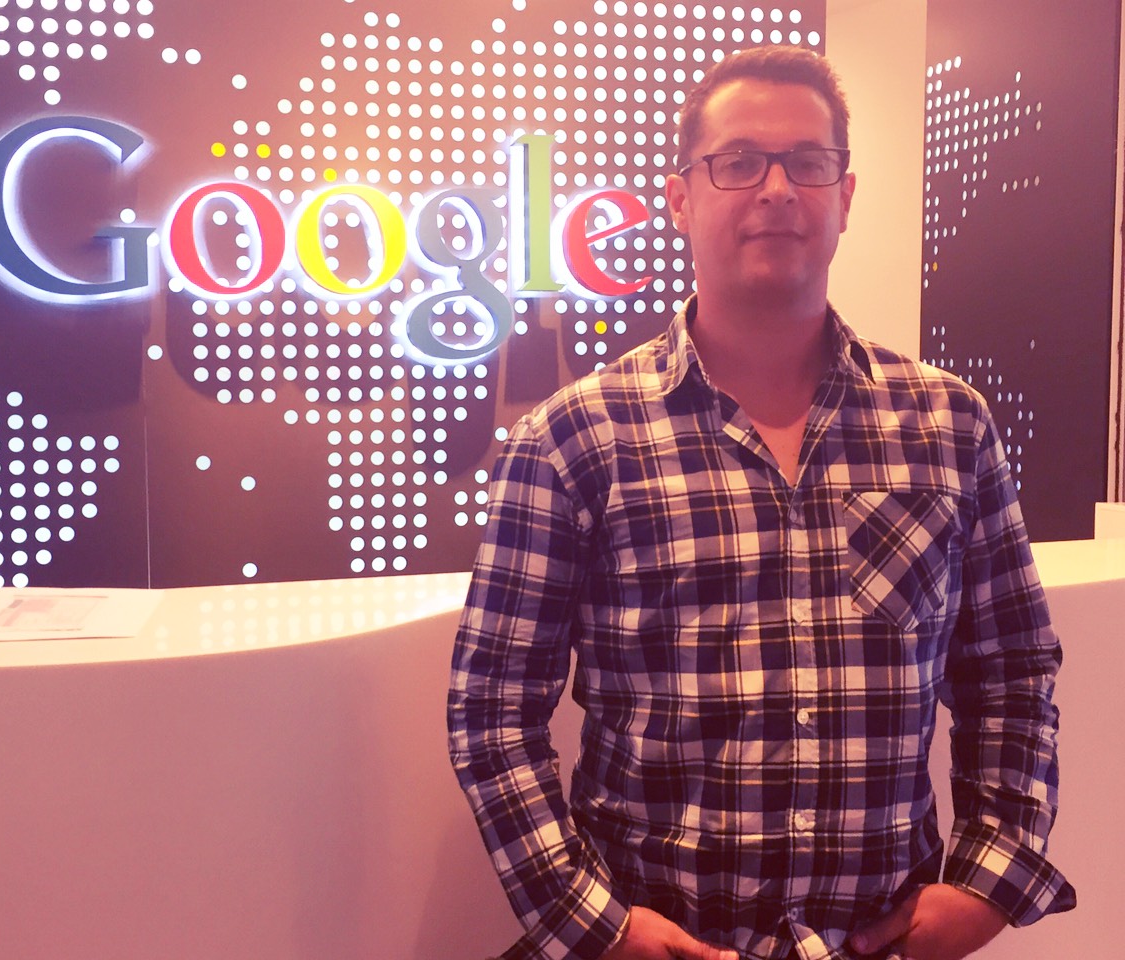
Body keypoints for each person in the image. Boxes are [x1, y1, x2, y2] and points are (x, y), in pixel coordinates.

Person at [447, 45, 1074, 960]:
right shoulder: (575, 438)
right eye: (738, 161)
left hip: (877, 940)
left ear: (845, 196)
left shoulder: (948, 425)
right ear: (679, 199)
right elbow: (492, 708)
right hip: (654, 934)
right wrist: (592, 923)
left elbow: (1011, 672)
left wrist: (992, 877)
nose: (776, 189)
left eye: (807, 162)